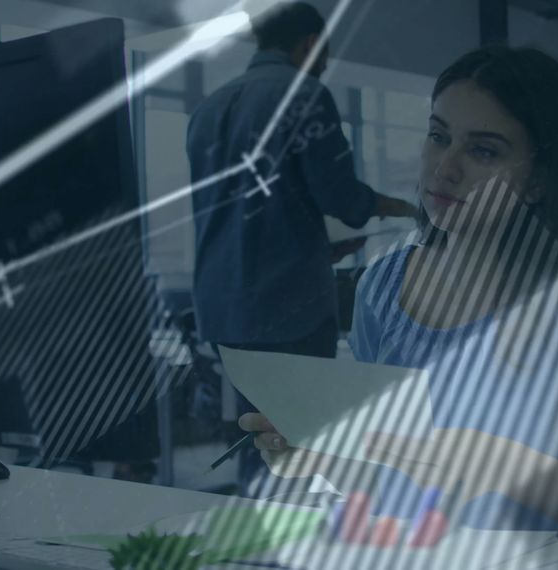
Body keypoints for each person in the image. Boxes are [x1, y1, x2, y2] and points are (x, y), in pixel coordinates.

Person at [240, 45, 558, 533]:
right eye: (438, 137)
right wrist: (318, 459)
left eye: (483, 150)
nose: (444, 169)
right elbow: (382, 468)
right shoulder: (383, 286)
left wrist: (498, 465)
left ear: (540, 178)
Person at [185, 1, 415, 494]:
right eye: (325, 54)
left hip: (220, 304)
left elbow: (242, 213)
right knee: (304, 444)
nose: (325, 65)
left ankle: (253, 529)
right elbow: (341, 197)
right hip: (286, 303)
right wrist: (404, 207)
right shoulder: (303, 94)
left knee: (251, 431)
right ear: (310, 43)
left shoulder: (207, 109)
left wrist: (313, 243)